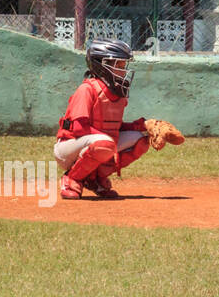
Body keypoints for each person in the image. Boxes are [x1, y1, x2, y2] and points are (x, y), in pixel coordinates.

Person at [54, 39, 152, 200]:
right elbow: (78, 128)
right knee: (105, 143)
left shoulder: (118, 93)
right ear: (101, 65)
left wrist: (142, 126)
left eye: (123, 65)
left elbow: (115, 128)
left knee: (141, 140)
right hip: (68, 148)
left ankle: (94, 178)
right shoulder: (87, 89)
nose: (123, 70)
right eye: (118, 65)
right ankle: (72, 178)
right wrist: (107, 141)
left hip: (97, 145)